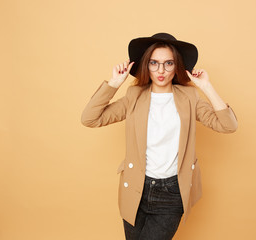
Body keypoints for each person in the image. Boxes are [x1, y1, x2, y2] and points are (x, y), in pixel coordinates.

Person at [81, 33, 238, 240]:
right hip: (136, 189)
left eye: (168, 63)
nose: (161, 70)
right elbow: (90, 119)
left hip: (172, 191)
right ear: (146, 65)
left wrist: (206, 87)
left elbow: (228, 126)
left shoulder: (190, 98)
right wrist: (114, 83)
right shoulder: (134, 96)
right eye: (154, 63)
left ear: (177, 66)